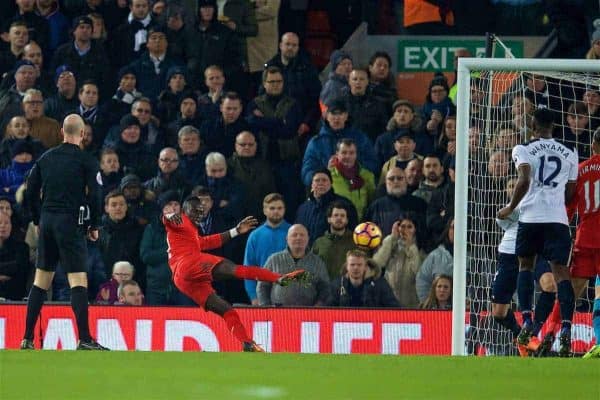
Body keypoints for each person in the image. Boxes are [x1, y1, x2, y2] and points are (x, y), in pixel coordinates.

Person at [162, 194, 307, 352]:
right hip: (188, 263)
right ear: (185, 210)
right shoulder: (181, 220)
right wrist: (170, 215)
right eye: (194, 210)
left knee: (226, 309)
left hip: (181, 279)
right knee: (234, 269)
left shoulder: (189, 231)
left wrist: (236, 231)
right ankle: (278, 278)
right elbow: (167, 218)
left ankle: (246, 342)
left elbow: (206, 242)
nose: (198, 213)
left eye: (200, 211)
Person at [20, 114, 107, 350]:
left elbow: (29, 191)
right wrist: (94, 225)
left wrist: (38, 219)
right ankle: (85, 339)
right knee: (77, 279)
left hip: (47, 220)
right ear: (81, 134)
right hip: (70, 222)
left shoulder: (45, 158)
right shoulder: (86, 160)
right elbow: (97, 195)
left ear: (61, 132)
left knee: (41, 279)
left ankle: (27, 338)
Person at [497, 108, 578, 357]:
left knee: (525, 267)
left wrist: (511, 207)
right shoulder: (570, 153)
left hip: (531, 218)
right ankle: (566, 329)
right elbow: (570, 192)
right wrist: (554, 201)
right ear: (553, 125)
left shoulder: (523, 149)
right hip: (557, 220)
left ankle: (529, 321)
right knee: (562, 274)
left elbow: (523, 180)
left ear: (533, 125)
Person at [565, 128, 600, 358]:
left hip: (585, 237)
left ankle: (553, 334)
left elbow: (567, 208)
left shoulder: (580, 170)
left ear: (594, 145)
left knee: (571, 290)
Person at [257, 224, 329, 307]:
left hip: (308, 314)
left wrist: (318, 306)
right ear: (287, 239)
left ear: (308, 239)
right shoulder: (274, 260)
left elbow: (325, 288)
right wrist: (266, 307)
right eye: (294, 235)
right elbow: (262, 286)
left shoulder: (317, 262)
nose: (298, 238)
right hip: (278, 313)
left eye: (302, 235)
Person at [243, 193, 290, 305]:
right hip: (261, 296)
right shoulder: (255, 236)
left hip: (289, 296)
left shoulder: (293, 233)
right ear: (265, 210)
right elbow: (248, 269)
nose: (276, 211)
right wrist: (253, 297)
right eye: (272, 208)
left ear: (284, 210)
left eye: (279, 208)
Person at [373, 214, 425, 308]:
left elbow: (418, 272)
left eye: (409, 227)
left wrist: (411, 247)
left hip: (412, 305)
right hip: (389, 304)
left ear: (415, 230)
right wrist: (391, 238)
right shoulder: (391, 245)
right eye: (402, 226)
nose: (405, 230)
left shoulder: (421, 250)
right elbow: (376, 264)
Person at [329, 249, 399, 307]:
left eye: (359, 265)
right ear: (347, 266)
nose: (356, 268)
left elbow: (395, 308)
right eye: (352, 265)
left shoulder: (380, 284)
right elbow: (326, 309)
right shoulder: (337, 285)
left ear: (365, 267)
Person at [312, 202, 356, 281]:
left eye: (342, 216)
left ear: (347, 220)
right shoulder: (319, 243)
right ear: (329, 219)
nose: (339, 218)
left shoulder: (356, 242)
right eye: (336, 215)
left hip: (348, 289)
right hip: (324, 289)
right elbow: (311, 267)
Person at [415, 218, 454, 302]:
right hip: (438, 311)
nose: (456, 231)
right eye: (453, 227)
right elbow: (422, 280)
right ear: (448, 230)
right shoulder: (435, 255)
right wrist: (428, 304)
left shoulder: (473, 257)